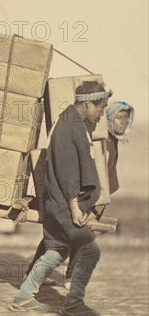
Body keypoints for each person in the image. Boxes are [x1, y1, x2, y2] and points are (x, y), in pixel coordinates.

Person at [9, 81, 111, 316]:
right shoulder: (69, 126)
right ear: (87, 104)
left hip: (58, 202)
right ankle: (74, 304)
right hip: (65, 204)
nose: (101, 114)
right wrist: (75, 206)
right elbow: (66, 171)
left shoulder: (71, 121)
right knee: (89, 250)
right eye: (101, 108)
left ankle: (24, 296)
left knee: (56, 251)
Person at [24, 100, 134, 287]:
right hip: (85, 193)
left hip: (98, 197)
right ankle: (55, 275)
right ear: (108, 118)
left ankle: (52, 274)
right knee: (70, 232)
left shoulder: (112, 140)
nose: (123, 122)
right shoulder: (101, 140)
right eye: (118, 118)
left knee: (73, 232)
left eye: (126, 118)